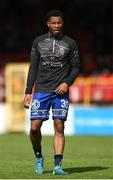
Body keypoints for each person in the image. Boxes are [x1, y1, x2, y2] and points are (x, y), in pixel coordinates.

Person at [23, 9, 80, 175]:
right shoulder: (38, 42)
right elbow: (33, 67)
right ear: (48, 24)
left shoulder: (71, 43)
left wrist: (67, 82)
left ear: (62, 24)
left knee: (59, 126)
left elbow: (76, 66)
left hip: (60, 91)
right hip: (41, 90)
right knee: (34, 128)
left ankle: (57, 165)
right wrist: (28, 91)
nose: (56, 25)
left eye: (59, 23)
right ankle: (39, 156)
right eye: (53, 23)